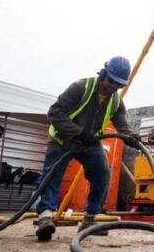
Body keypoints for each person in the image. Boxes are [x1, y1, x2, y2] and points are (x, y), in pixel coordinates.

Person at [35, 56, 140, 241]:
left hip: (89, 144)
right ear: (103, 74)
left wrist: (131, 137)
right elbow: (54, 113)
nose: (114, 87)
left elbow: (122, 126)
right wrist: (78, 132)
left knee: (102, 173)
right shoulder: (81, 87)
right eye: (111, 82)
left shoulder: (115, 101)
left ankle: (89, 220)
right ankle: (45, 217)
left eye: (119, 85)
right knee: (52, 174)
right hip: (62, 139)